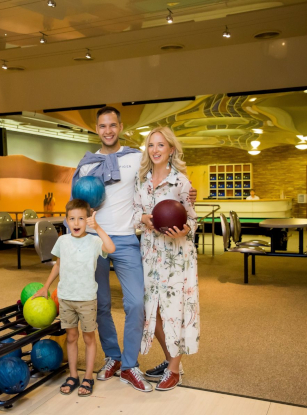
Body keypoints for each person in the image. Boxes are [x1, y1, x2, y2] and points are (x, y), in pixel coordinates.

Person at [71, 106, 197, 392]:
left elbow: (164, 176)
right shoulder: (86, 165)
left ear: (120, 127)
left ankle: (129, 365)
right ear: (96, 129)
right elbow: (75, 206)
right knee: (100, 304)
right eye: (102, 126)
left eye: (112, 125)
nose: (108, 131)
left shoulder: (135, 158)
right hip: (93, 239)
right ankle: (113, 357)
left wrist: (188, 193)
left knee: (137, 304)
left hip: (127, 239)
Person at [134, 126, 200, 391]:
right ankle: (171, 360)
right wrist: (143, 218)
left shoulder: (181, 182)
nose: (155, 150)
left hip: (176, 254)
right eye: (151, 145)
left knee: (175, 310)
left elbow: (193, 219)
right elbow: (134, 212)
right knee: (152, 310)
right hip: (150, 253)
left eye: (161, 145)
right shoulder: (141, 181)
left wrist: (185, 229)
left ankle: (174, 370)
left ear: (171, 149)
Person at [32, 199, 115, 397]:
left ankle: (88, 377)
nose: (76, 223)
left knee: (88, 338)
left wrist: (98, 228)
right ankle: (73, 376)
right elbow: (58, 265)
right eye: (72, 219)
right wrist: (46, 287)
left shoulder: (94, 241)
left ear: (87, 220)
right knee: (71, 337)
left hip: (86, 299)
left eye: (81, 219)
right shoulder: (63, 241)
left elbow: (111, 248)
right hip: (66, 298)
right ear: (66, 220)